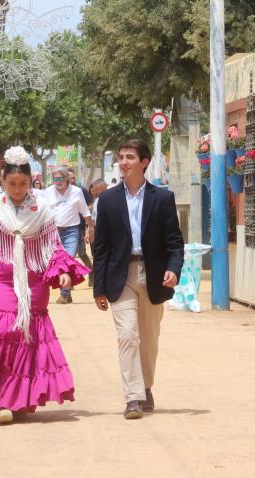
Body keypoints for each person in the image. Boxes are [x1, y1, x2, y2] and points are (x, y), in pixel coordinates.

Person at [0, 146, 88, 423]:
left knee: (27, 336)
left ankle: (15, 400)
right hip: (0, 279)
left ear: (31, 181)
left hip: (34, 280)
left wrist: (63, 272)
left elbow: (53, 246)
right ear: (2, 181)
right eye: (12, 183)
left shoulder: (42, 209)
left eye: (23, 183)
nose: (18, 188)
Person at [92, 139, 184, 420]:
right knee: (127, 335)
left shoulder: (163, 198)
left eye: (130, 157)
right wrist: (99, 287)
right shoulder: (107, 200)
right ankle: (133, 397)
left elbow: (175, 242)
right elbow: (102, 247)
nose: (123, 162)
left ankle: (145, 386)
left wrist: (174, 269)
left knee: (149, 339)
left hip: (153, 275)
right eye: (121, 157)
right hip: (121, 276)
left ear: (144, 162)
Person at [42, 167, 93, 304]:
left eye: (60, 179)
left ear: (66, 179)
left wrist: (91, 228)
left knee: (67, 260)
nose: (57, 182)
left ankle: (64, 294)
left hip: (72, 232)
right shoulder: (48, 192)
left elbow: (85, 211)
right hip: (54, 232)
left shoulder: (77, 192)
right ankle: (67, 293)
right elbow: (41, 211)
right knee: (59, 262)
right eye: (55, 179)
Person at [68, 170, 94, 277]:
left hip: (79, 227)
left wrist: (81, 209)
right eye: (70, 178)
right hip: (65, 228)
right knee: (69, 255)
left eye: (73, 178)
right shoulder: (60, 192)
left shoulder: (81, 190)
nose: (72, 180)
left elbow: (91, 205)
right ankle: (68, 284)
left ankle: (92, 273)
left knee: (82, 253)